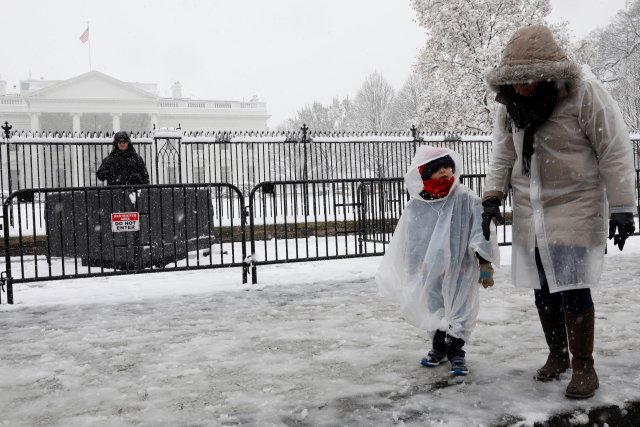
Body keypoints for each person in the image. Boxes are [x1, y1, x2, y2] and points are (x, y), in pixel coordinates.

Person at [482, 24, 636, 399]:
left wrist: (621, 208)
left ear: (548, 74)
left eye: (528, 79)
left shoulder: (583, 93)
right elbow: (504, 152)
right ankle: (558, 355)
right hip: (530, 210)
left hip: (576, 204)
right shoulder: (509, 105)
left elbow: (613, 148)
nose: (520, 87)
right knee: (543, 290)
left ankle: (584, 366)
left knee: (573, 288)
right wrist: (491, 195)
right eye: (514, 80)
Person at [376, 146, 498, 376]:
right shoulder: (418, 204)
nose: (445, 171)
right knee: (435, 310)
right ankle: (439, 347)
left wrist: (484, 263)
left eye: (448, 167)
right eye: (438, 168)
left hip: (460, 268)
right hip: (429, 270)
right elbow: (412, 238)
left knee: (458, 311)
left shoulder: (465, 198)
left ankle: (457, 353)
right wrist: (412, 265)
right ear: (426, 173)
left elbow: (480, 230)